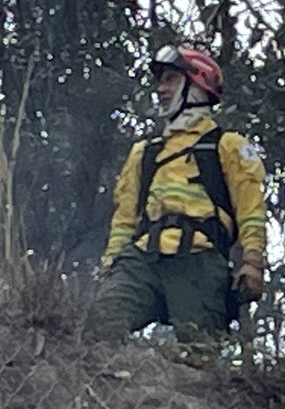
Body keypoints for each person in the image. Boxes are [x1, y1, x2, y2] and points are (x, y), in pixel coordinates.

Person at [91, 44, 267, 344]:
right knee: (98, 326)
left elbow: (251, 209)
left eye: (171, 79)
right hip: (143, 259)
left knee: (201, 357)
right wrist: (111, 264)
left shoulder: (227, 146)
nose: (161, 89)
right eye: (161, 81)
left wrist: (252, 262)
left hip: (199, 262)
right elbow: (124, 218)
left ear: (197, 84)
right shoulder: (144, 152)